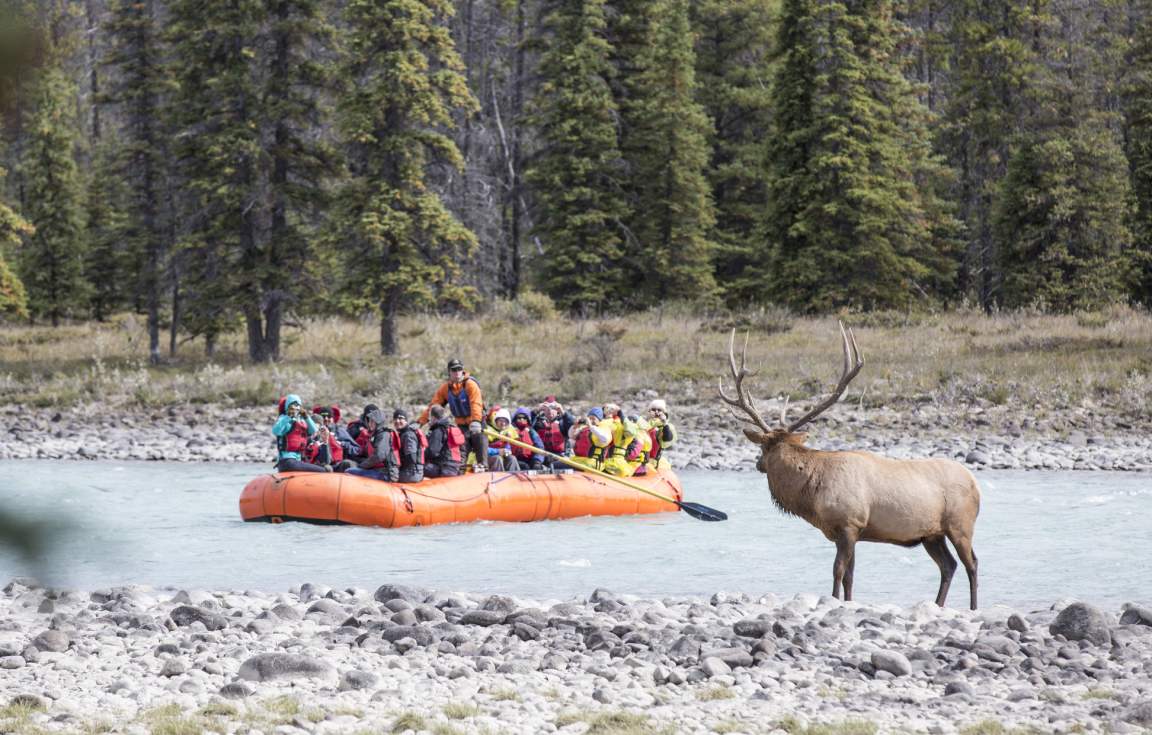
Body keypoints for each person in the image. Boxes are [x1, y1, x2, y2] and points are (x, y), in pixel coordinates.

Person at [418, 358, 488, 473]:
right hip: (462, 427)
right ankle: (460, 475)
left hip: (478, 425)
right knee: (461, 455)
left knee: (480, 445)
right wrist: (419, 422)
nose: (457, 372)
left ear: (463, 370)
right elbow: (433, 407)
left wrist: (475, 421)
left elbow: (476, 403)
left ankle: (483, 468)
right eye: (454, 370)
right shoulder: (445, 388)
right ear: (449, 372)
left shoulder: (470, 384)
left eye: (459, 369)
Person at [272, 394, 329, 473]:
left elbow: (314, 431)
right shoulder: (284, 419)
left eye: (297, 405)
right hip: (287, 461)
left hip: (298, 460)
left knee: (325, 468)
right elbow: (275, 431)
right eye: (292, 406)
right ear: (287, 407)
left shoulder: (302, 420)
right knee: (323, 471)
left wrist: (306, 417)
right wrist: (288, 416)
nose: (295, 408)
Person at [346, 408, 400, 481]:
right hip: (379, 470)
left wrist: (361, 466)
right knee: (351, 467)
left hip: (387, 473)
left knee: (349, 472)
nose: (369, 424)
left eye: (372, 421)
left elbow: (379, 456)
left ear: (378, 422)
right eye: (369, 421)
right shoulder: (375, 435)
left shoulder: (384, 435)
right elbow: (365, 452)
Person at [601, 403, 643, 477]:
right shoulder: (615, 427)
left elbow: (631, 455)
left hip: (621, 463)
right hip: (608, 460)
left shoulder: (632, 433)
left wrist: (620, 413)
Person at [424, 405, 466, 478]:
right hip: (457, 467)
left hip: (444, 468)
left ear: (433, 417)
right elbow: (463, 450)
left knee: (419, 468)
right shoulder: (453, 428)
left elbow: (432, 452)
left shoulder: (438, 430)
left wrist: (422, 456)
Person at [532, 397, 576, 467]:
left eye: (552, 408)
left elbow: (573, 427)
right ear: (543, 410)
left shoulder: (563, 422)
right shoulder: (538, 422)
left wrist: (563, 412)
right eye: (547, 408)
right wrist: (535, 411)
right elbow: (526, 425)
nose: (550, 411)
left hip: (560, 456)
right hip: (542, 455)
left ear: (557, 410)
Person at [303, 405, 346, 470]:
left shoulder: (337, 432)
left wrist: (343, 444)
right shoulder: (303, 437)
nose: (326, 419)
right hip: (307, 466)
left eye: (329, 416)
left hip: (328, 465)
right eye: (313, 426)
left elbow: (326, 460)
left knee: (328, 467)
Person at [392, 408, 426, 483]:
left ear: (406, 421)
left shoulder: (408, 435)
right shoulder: (403, 433)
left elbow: (411, 459)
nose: (397, 421)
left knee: (384, 474)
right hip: (411, 471)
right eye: (395, 418)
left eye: (400, 418)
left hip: (412, 473)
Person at [646, 398, 678, 470]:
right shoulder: (644, 423)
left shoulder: (665, 426)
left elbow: (667, 438)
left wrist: (664, 423)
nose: (656, 412)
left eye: (659, 410)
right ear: (649, 411)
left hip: (651, 463)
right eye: (653, 410)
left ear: (664, 413)